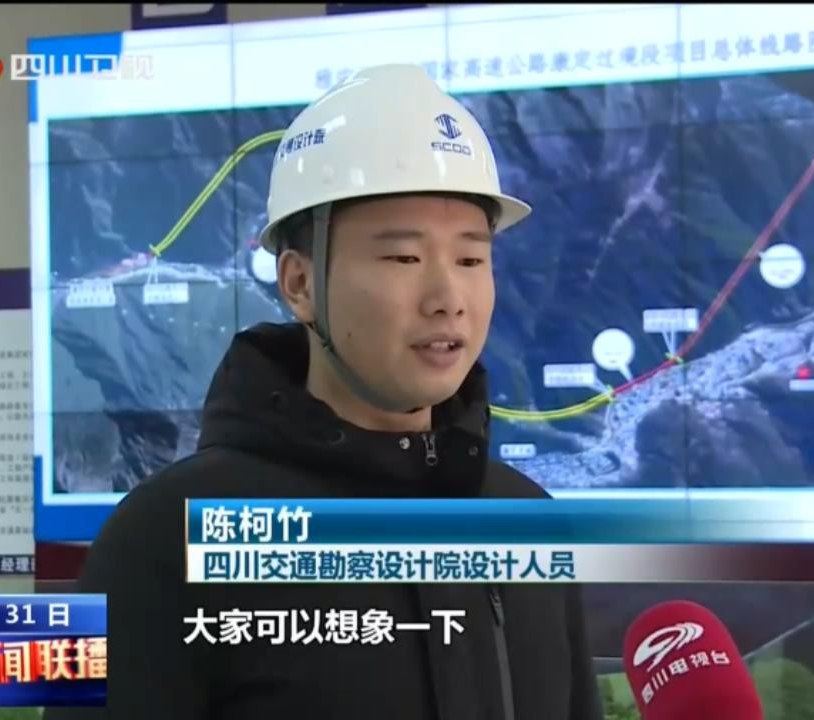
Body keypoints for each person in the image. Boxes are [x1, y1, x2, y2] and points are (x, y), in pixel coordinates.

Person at [45, 63, 605, 719]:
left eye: (470, 259)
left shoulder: (525, 521)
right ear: (299, 284)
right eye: (403, 257)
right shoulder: (167, 537)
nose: (448, 297)